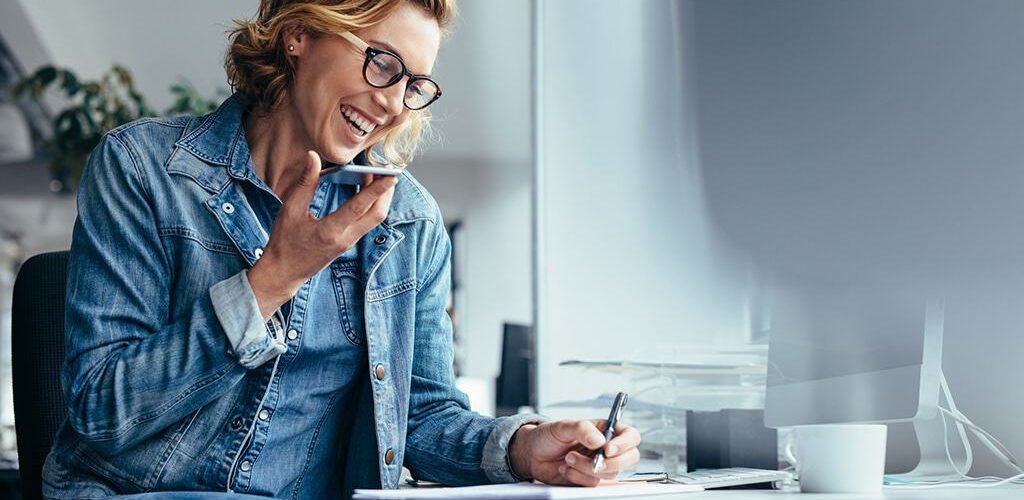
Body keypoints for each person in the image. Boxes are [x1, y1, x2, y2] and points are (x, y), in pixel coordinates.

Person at [41, 1, 641, 498]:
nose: (393, 102)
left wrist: (523, 447)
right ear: (299, 35)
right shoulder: (146, 170)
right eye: (383, 63)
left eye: (415, 84)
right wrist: (273, 277)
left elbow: (421, 419)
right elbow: (102, 413)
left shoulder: (407, 221)